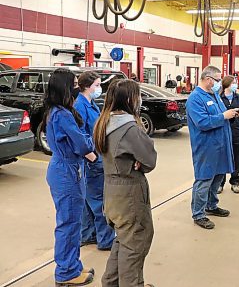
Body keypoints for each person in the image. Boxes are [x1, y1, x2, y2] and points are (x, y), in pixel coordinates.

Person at [93, 79, 157, 287]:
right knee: (135, 246)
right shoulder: (130, 129)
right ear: (131, 99)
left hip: (112, 194)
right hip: (130, 195)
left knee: (123, 241)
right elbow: (149, 159)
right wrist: (138, 160)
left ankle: (110, 283)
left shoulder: (104, 123)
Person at [42, 68, 97, 286]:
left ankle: (72, 265)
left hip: (67, 169)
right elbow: (83, 144)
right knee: (68, 224)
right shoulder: (62, 115)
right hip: (67, 172)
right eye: (74, 83)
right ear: (65, 87)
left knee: (72, 222)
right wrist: (90, 142)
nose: (77, 87)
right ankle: (65, 272)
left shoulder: (58, 111)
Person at [186, 66, 239, 229]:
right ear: (208, 79)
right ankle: (198, 213)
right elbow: (202, 122)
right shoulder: (195, 99)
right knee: (204, 179)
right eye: (217, 80)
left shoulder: (214, 95)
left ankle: (211, 205)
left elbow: (221, 115)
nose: (219, 84)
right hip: (206, 146)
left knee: (217, 177)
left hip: (220, 145)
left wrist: (230, 113)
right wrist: (224, 116)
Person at [74, 71, 115, 251]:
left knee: (89, 200)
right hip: (92, 161)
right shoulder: (80, 107)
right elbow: (80, 136)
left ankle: (89, 234)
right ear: (86, 86)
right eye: (97, 85)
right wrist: (92, 157)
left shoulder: (91, 105)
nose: (99, 89)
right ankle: (105, 240)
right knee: (99, 201)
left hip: (97, 157)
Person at [218, 75, 239, 194]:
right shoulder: (219, 98)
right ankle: (220, 183)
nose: (235, 84)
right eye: (234, 82)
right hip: (223, 132)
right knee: (222, 158)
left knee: (237, 158)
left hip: (238, 132)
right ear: (227, 84)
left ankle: (235, 182)